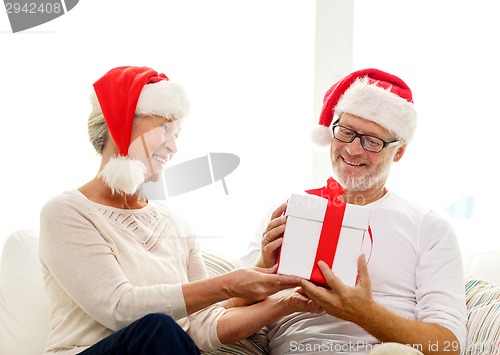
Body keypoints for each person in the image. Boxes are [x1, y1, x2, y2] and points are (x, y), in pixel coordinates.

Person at [38, 66, 321, 355]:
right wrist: (228, 285)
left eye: (177, 133)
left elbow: (202, 328)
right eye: (164, 128)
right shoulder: (67, 212)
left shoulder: (175, 223)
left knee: (165, 332)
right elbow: (120, 309)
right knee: (158, 328)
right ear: (119, 123)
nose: (173, 146)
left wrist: (287, 302)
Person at [237, 68, 467, 355]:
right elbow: (223, 314)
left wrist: (364, 313)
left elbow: (447, 345)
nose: (353, 150)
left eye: (372, 141)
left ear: (399, 152)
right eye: (345, 132)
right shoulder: (288, 212)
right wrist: (262, 265)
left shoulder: (428, 227)